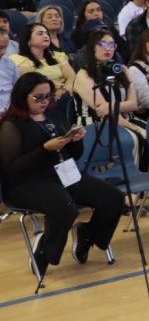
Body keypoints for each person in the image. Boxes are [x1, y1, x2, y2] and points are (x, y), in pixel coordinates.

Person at [0, 74, 121, 278]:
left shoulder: (55, 117)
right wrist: (45, 149)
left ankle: (88, 234)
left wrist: (76, 140)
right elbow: (12, 167)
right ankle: (45, 250)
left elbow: (74, 155)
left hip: (63, 174)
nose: (44, 101)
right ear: (22, 96)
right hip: (26, 183)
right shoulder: (11, 125)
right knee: (65, 207)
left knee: (113, 198)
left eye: (48, 96)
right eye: (38, 97)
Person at [73, 29, 140, 138]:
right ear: (92, 48)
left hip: (128, 119)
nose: (108, 48)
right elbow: (104, 112)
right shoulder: (84, 74)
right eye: (102, 44)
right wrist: (136, 130)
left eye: (111, 45)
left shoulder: (122, 69)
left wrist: (110, 106)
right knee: (144, 138)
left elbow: (133, 105)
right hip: (97, 124)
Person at [9, 24, 76, 104]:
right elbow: (35, 80)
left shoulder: (57, 56)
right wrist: (58, 88)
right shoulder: (18, 59)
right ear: (28, 40)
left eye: (46, 33)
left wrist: (65, 90)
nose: (45, 36)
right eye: (40, 33)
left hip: (63, 95)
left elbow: (71, 76)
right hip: (38, 97)